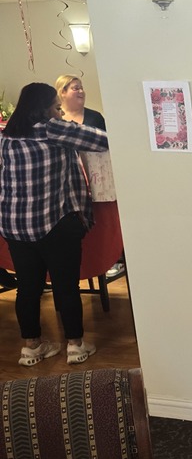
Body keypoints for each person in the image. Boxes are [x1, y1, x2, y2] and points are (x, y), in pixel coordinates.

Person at [0, 82, 108, 365]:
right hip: (53, 223)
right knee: (65, 286)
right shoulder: (53, 129)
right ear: (44, 109)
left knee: (28, 289)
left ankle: (31, 347)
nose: (59, 113)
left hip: (15, 226)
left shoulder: (5, 137)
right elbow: (102, 141)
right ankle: (75, 345)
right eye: (56, 108)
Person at [56, 75, 124, 279]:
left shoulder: (95, 118)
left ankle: (110, 260)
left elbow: (106, 146)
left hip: (97, 183)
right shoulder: (56, 121)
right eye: (75, 88)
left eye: (81, 88)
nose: (81, 91)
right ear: (63, 92)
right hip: (68, 185)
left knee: (105, 222)